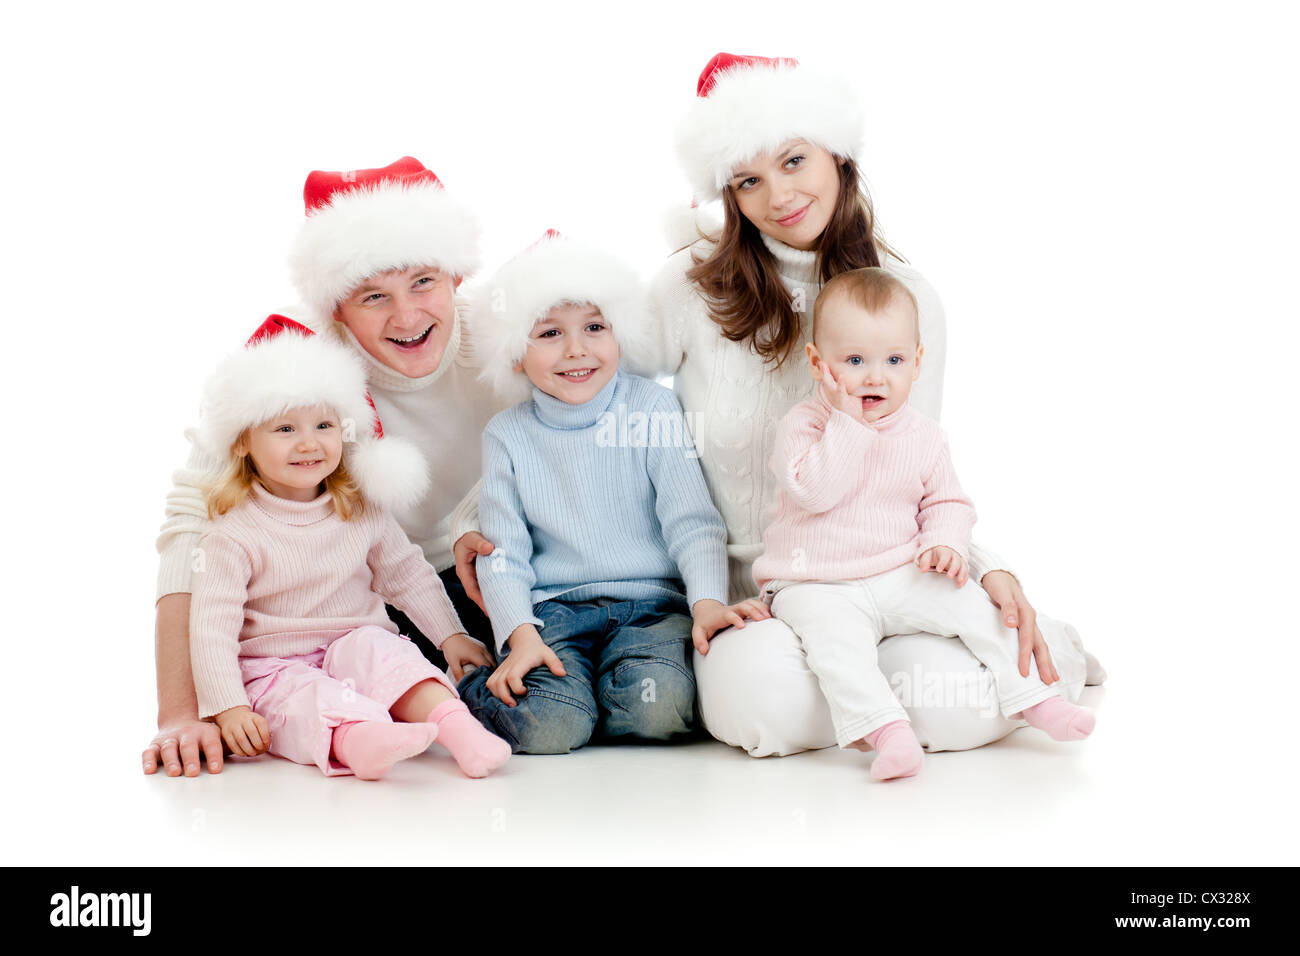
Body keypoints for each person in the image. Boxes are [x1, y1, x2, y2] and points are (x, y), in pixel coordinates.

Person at [634, 51, 1102, 756]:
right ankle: (864, 699)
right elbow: (585, 398)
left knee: (947, 707)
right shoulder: (687, 291)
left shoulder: (907, 299)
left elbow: (915, 466)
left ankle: (1010, 663)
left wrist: (988, 566)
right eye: (748, 180)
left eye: (794, 161)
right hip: (759, 591)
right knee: (769, 709)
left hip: (891, 570)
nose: (778, 196)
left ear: (836, 153)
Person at [145, 157, 507, 777]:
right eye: (374, 296)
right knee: (357, 679)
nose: (406, 317)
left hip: (492, 573)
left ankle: (452, 722)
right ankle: (357, 733)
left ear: (455, 275)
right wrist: (183, 712)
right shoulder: (289, 368)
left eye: (424, 282)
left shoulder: (510, 340)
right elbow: (190, 530)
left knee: (543, 695)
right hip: (360, 606)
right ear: (337, 308)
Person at [754, 267, 1095, 780]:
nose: (874, 377)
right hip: (814, 582)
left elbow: (949, 503)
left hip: (898, 569)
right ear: (818, 364)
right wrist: (848, 422)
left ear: (916, 363)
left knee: (977, 608)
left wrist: (945, 543)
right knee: (836, 647)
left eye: (892, 360)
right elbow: (815, 492)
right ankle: (888, 732)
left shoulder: (925, 436)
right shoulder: (804, 426)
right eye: (854, 361)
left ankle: (1035, 698)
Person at [456, 232, 769, 753]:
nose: (577, 349)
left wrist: (708, 601)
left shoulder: (653, 408)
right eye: (550, 333)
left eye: (595, 327)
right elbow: (503, 553)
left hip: (651, 609)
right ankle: (478, 692)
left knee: (659, 708)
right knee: (552, 726)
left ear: (621, 334)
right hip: (553, 611)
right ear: (515, 354)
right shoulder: (507, 434)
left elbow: (691, 519)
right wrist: (520, 635)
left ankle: (596, 695)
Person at [189, 330, 510, 779]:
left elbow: (407, 576)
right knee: (304, 699)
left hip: (351, 641)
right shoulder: (233, 531)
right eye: (285, 429)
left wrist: (450, 636)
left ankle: (459, 731)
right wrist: (228, 705)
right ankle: (361, 739)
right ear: (242, 442)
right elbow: (210, 627)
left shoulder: (360, 507)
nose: (309, 444)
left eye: (324, 426)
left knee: (390, 657)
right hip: (272, 665)